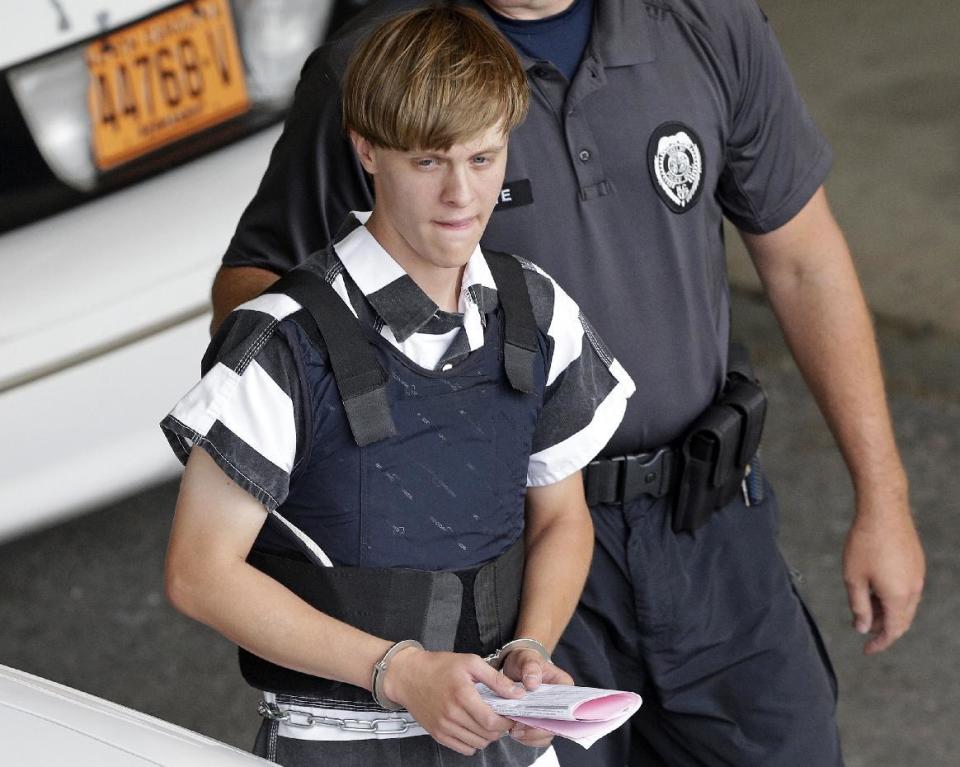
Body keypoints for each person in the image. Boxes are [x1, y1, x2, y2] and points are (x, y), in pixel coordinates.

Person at [210, 1, 926, 764]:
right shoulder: (383, 64)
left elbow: (803, 259)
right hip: (517, 553)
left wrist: (884, 497)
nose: (458, 187)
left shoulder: (703, 21)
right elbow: (254, 293)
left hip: (712, 526)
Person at [161, 7, 635, 766]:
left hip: (500, 733)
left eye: (483, 160)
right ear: (367, 151)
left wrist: (531, 650)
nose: (461, 196)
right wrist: (401, 672)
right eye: (428, 162)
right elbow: (197, 571)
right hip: (337, 742)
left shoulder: (537, 309)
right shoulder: (285, 338)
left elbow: (560, 519)